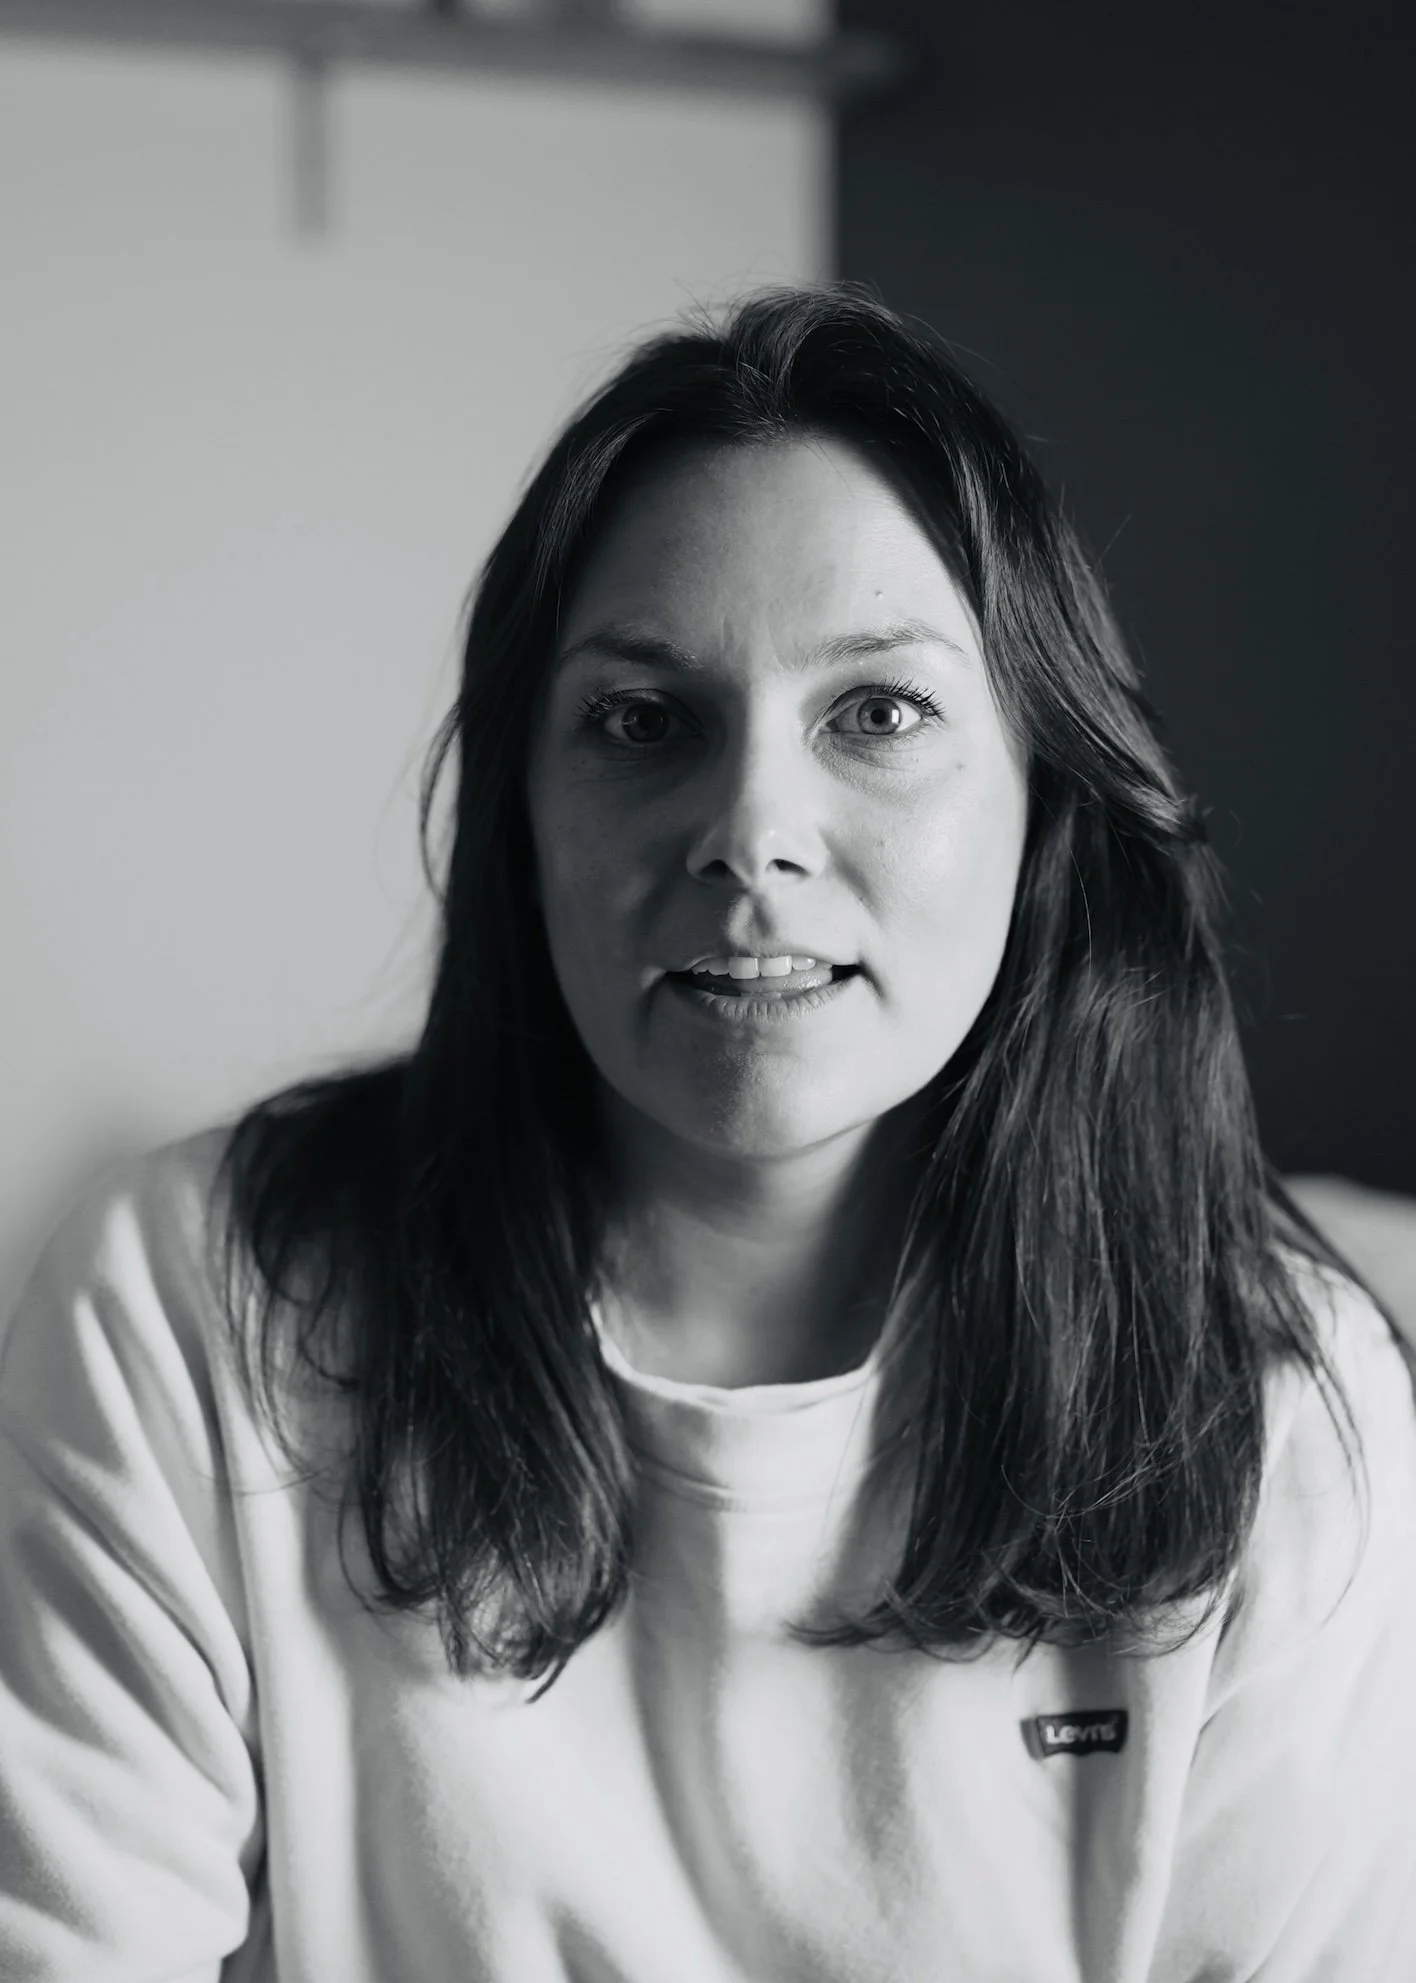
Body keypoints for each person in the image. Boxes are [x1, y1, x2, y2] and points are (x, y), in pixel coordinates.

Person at [1, 285, 1413, 1982]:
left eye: (877, 714)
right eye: (640, 719)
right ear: (523, 808)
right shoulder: (185, 1304)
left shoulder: (1284, 1406)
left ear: (1044, 798)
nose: (752, 832)